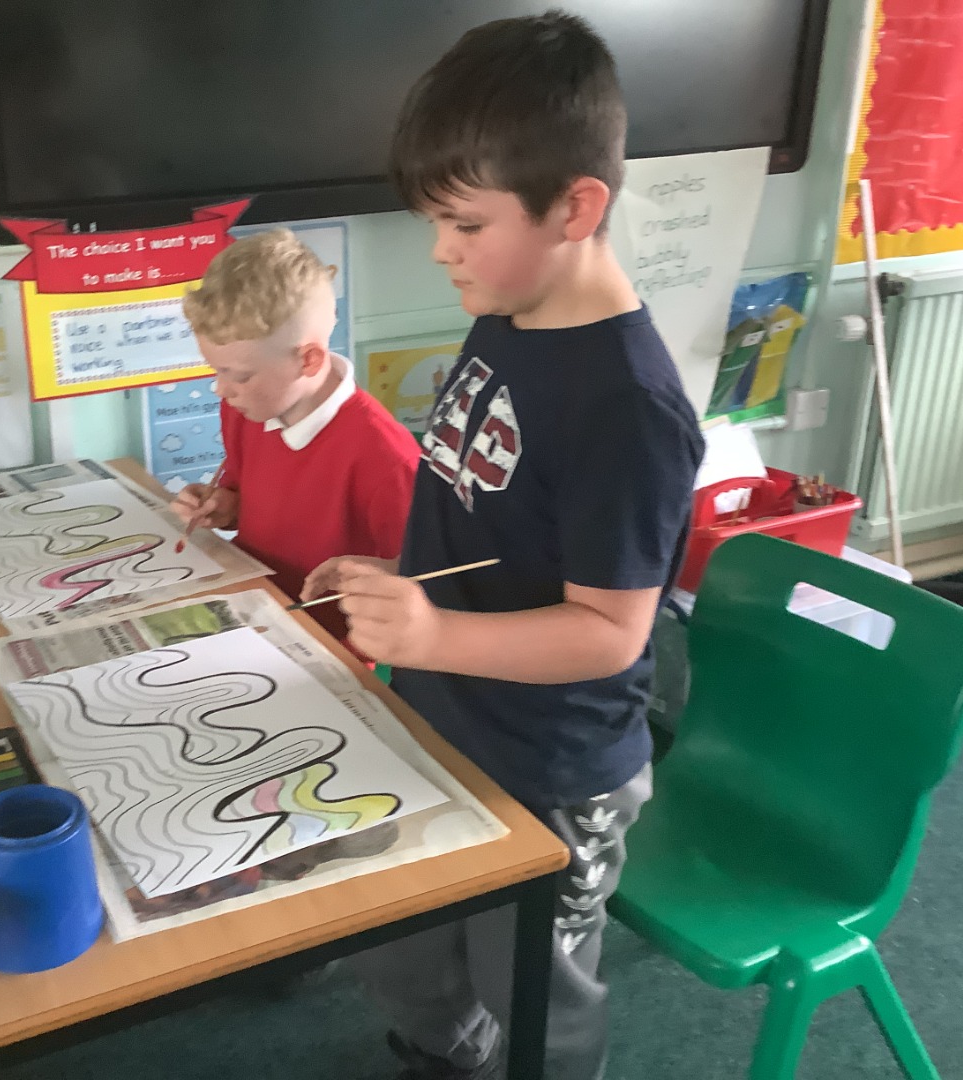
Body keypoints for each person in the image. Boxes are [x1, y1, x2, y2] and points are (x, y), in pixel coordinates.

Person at [301, 13, 704, 1080]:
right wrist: (404, 580)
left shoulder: (629, 408)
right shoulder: (506, 313)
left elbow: (610, 633)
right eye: (437, 221)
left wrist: (431, 633)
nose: (442, 249)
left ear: (576, 207)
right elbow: (493, 516)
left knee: (532, 990)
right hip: (447, 717)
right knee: (408, 940)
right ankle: (445, 1055)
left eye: (465, 223)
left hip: (555, 765)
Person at [171, 228, 419, 647]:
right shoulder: (248, 408)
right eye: (216, 370)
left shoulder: (387, 459)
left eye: (239, 375)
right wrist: (225, 506)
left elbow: (420, 579)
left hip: (328, 649)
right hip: (250, 617)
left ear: (309, 360)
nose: (221, 389)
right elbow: (250, 498)